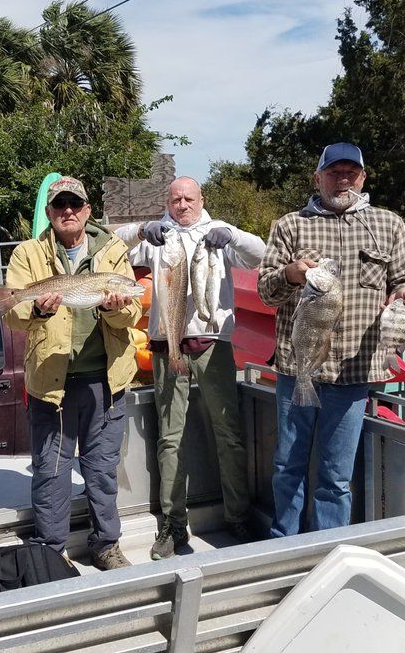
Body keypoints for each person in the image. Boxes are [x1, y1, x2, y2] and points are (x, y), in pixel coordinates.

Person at [257, 142, 405, 537]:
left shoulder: (389, 224)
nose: (343, 178)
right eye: (334, 171)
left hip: (353, 372)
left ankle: (329, 550)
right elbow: (265, 290)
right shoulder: (290, 225)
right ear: (318, 177)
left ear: (363, 178)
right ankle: (284, 547)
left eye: (351, 172)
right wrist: (292, 274)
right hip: (298, 369)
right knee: (287, 466)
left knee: (336, 475)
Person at [117, 176, 266, 560]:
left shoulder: (218, 234)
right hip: (168, 346)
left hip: (213, 344)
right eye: (175, 198)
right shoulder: (158, 239)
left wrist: (229, 234)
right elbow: (112, 245)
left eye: (189, 198)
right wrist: (140, 230)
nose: (182, 205)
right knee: (171, 437)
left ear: (201, 200)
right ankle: (172, 524)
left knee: (228, 433)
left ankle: (237, 515)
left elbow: (262, 253)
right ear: (168, 201)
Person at [2, 176, 141, 571]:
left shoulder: (113, 251)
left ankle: (106, 545)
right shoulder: (27, 253)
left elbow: (132, 312)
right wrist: (40, 309)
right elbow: (13, 315)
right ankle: (51, 549)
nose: (67, 211)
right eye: (59, 205)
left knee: (101, 470)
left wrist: (115, 306)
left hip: (105, 380)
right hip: (52, 384)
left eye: (74, 205)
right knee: (51, 473)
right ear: (48, 212)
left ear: (87, 211)